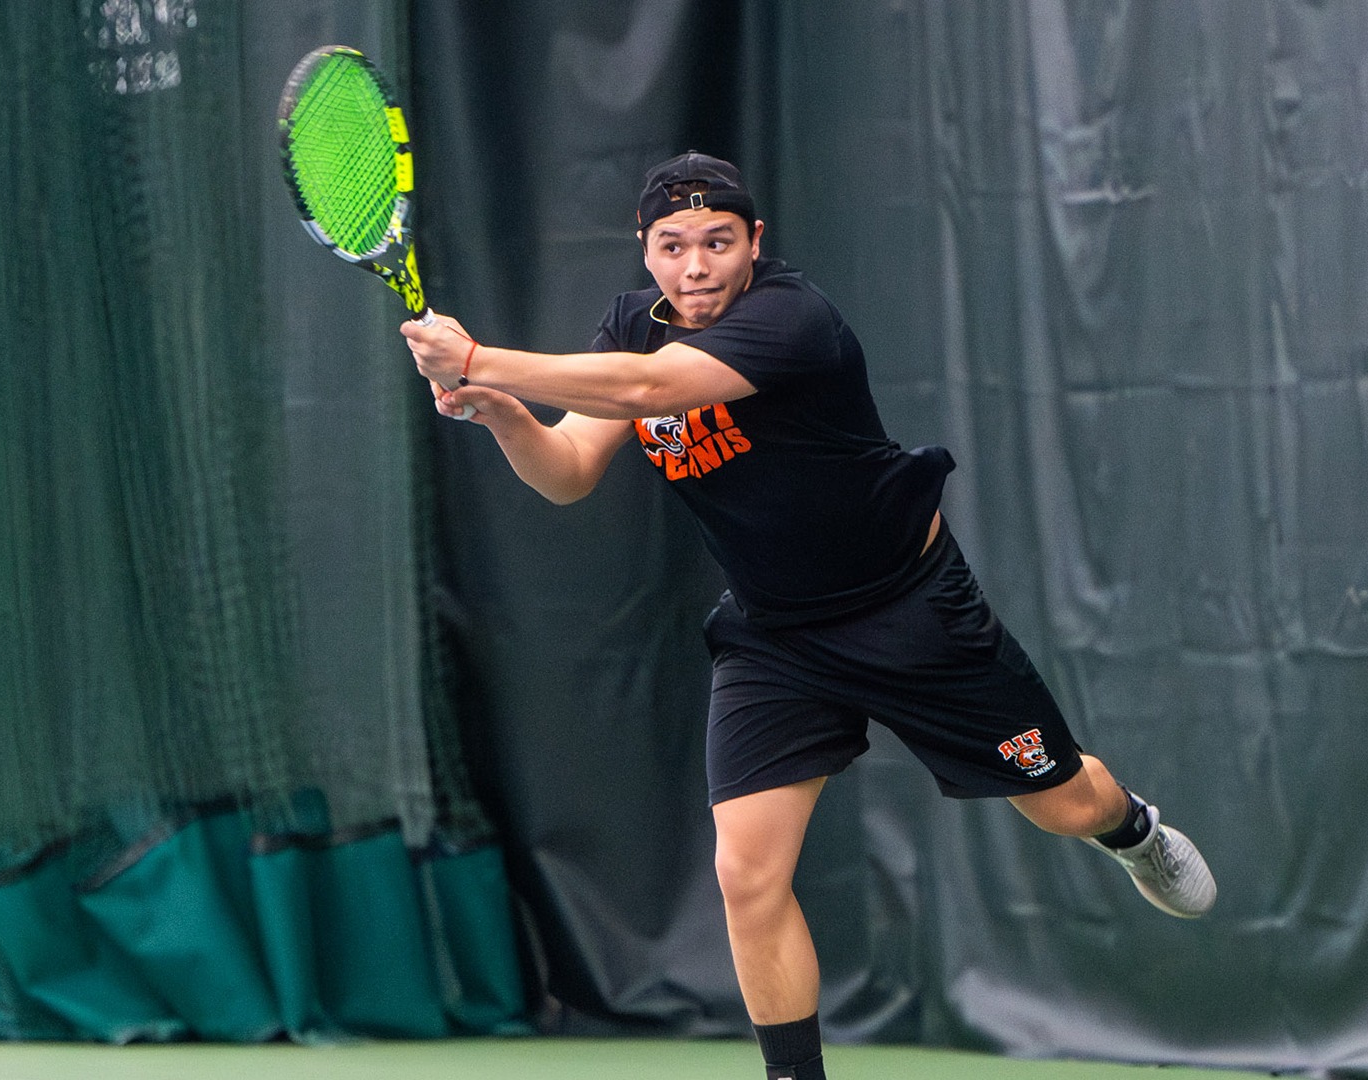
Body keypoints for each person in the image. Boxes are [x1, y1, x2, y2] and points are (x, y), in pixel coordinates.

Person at [401, 153, 1217, 1080]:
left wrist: (473, 356)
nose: (696, 266)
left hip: (911, 612)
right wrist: (505, 413)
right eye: (672, 247)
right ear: (646, 251)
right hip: (775, 635)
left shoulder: (793, 319)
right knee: (746, 873)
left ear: (755, 242)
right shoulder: (630, 325)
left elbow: (650, 392)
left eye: (717, 242)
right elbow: (568, 472)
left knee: (1062, 802)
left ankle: (1132, 830)